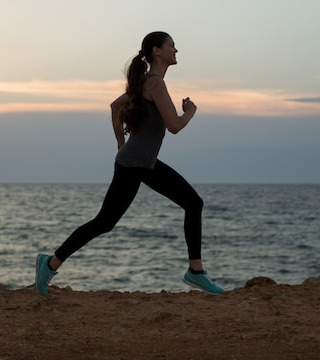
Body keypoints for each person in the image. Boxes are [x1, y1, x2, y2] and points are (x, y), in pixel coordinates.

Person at [35, 31, 223, 295]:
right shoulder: (154, 83)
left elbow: (114, 106)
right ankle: (50, 263)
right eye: (172, 46)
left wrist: (120, 146)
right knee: (104, 222)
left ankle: (196, 271)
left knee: (192, 203)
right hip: (134, 165)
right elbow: (175, 126)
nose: (176, 50)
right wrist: (190, 113)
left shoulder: (146, 82)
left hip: (142, 163)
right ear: (157, 51)